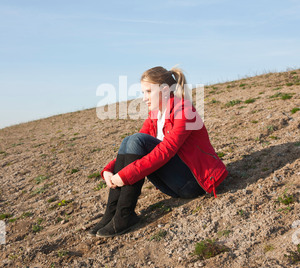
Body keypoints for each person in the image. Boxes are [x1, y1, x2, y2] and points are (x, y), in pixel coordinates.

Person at [90, 66, 228, 238]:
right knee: (130, 140)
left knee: (136, 140)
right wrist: (109, 170)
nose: (144, 98)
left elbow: (166, 151)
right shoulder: (155, 114)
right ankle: (112, 214)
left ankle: (124, 215)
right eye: (143, 92)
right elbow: (133, 150)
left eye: (148, 92)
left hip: (194, 183)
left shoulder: (184, 110)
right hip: (174, 183)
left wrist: (124, 176)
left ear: (164, 90)